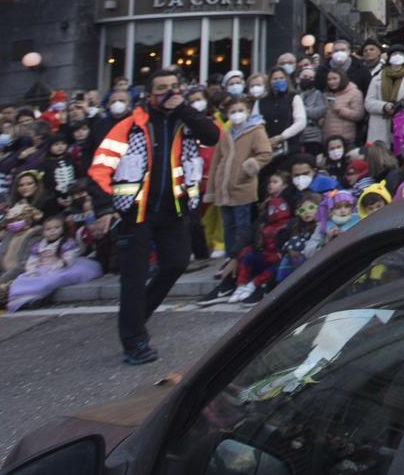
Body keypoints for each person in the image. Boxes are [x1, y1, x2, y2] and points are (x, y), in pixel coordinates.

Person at [88, 67, 220, 366]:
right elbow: (100, 168)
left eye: (175, 87)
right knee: (133, 279)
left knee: (176, 263)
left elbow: (212, 136)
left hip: (174, 210)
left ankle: (136, 317)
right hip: (136, 213)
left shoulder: (186, 121)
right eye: (162, 88)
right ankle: (134, 341)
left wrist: (184, 108)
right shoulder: (128, 126)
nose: (170, 92)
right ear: (149, 95)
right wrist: (105, 209)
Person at [204, 97, 270, 267]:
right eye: (232, 112)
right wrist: (212, 187)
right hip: (223, 187)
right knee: (228, 226)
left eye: (240, 111)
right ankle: (228, 259)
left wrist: (248, 168)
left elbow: (265, 153)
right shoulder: (225, 134)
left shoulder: (256, 131)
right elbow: (216, 162)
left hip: (242, 186)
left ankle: (240, 260)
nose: (236, 115)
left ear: (247, 112)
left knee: (242, 225)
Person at [4, 212, 101, 311]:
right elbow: (33, 260)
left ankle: (36, 298)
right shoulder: (39, 246)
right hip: (41, 268)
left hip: (61, 267)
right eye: (48, 229)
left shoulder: (67, 243)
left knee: (50, 280)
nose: (52, 231)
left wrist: (59, 263)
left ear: (63, 228)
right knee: (20, 280)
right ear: (43, 232)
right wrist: (32, 270)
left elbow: (69, 257)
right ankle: (21, 300)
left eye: (56, 228)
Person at [364, 44, 404, 152]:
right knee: (381, 158)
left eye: (400, 54)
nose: (397, 56)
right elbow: (368, 102)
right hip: (381, 125)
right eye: (394, 54)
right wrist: (384, 106)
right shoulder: (377, 78)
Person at [320, 67, 366, 150]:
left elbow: (359, 115)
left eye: (335, 78)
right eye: (329, 79)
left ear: (342, 78)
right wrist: (322, 118)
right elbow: (324, 111)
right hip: (328, 139)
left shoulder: (354, 93)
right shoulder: (326, 94)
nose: (331, 82)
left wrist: (341, 110)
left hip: (345, 139)